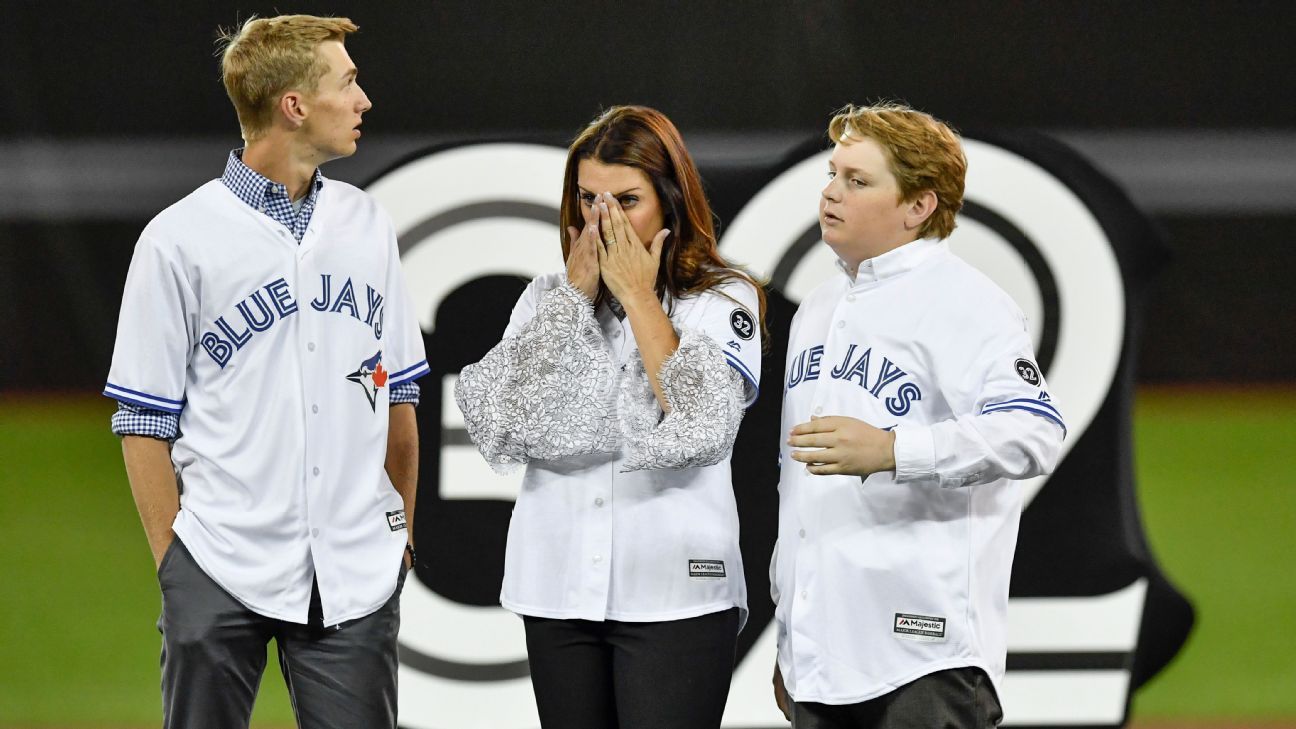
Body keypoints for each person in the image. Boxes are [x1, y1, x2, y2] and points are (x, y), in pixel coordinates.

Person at [103, 15, 428, 729]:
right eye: (347, 82)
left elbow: (398, 390)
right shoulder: (176, 240)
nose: (364, 99)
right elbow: (142, 421)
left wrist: (398, 527)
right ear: (294, 105)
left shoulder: (368, 222)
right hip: (219, 565)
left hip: (352, 575)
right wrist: (176, 569)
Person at [455, 105, 766, 729]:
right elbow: (503, 423)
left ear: (671, 203)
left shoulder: (722, 297)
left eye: (627, 200)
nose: (604, 220)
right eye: (588, 201)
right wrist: (573, 300)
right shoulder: (547, 297)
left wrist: (637, 296)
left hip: (676, 587)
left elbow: (702, 425)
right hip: (557, 583)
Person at [770, 102, 1067, 728]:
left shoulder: (968, 304)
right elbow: (796, 489)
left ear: (918, 206)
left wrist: (893, 450)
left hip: (923, 657)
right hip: (821, 654)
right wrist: (793, 626)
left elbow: (1034, 431)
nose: (830, 192)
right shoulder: (818, 308)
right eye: (832, 174)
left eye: (858, 181)